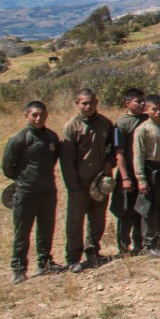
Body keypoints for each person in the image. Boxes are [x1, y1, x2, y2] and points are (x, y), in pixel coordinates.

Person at [2, 101, 63, 282]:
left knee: (46, 230)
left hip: (47, 192)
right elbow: (7, 167)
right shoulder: (18, 139)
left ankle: (45, 263)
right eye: (34, 115)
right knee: (22, 233)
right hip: (25, 193)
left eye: (42, 115)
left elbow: (52, 160)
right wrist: (24, 180)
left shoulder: (52, 137)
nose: (38, 118)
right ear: (26, 116)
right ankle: (19, 269)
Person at [59, 88, 115, 269]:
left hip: (100, 182)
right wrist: (73, 188)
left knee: (97, 218)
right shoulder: (71, 127)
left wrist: (110, 162)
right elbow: (66, 161)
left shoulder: (105, 123)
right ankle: (73, 258)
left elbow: (112, 149)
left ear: (96, 102)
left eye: (91, 102)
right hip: (80, 184)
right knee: (75, 222)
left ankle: (93, 252)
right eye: (84, 103)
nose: (88, 106)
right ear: (77, 104)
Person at [133, 95, 160, 256]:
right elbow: (138, 156)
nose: (158, 112)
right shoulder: (142, 130)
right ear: (146, 110)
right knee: (151, 209)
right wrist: (141, 179)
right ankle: (149, 244)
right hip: (151, 171)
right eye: (154, 110)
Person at [111, 88, 147, 255]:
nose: (141, 104)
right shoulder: (121, 124)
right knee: (125, 211)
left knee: (141, 209)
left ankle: (140, 243)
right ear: (127, 104)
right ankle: (123, 246)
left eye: (142, 101)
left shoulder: (147, 119)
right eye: (137, 101)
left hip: (143, 173)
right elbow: (119, 154)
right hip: (128, 174)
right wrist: (125, 177)